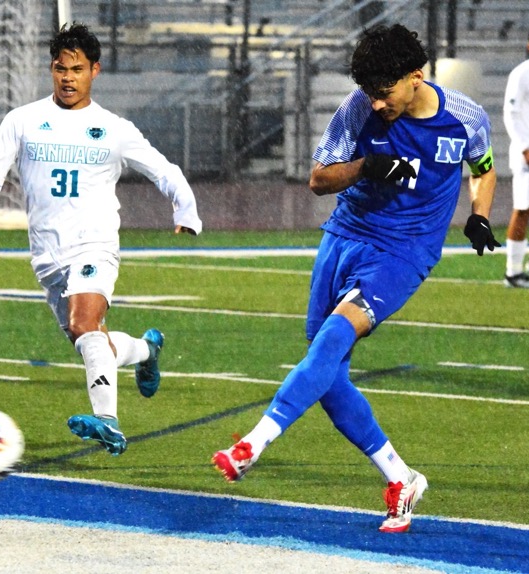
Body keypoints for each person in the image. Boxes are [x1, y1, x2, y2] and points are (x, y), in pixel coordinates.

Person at [212, 24, 499, 533]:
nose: (377, 102)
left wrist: (479, 213)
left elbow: (483, 166)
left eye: (384, 92)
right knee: (327, 368)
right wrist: (368, 167)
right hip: (343, 237)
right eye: (369, 91)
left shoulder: (465, 118)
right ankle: (401, 476)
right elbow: (319, 180)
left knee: (332, 339)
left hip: (404, 252)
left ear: (417, 76)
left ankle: (252, 444)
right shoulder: (358, 109)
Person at [0, 23, 202, 456]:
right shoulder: (23, 121)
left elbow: (163, 170)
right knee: (91, 343)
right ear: (51, 70)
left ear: (95, 71)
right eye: (59, 69)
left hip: (95, 245)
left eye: (77, 69)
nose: (67, 78)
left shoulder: (113, 128)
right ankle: (147, 350)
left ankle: (109, 422)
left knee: (84, 324)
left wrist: (186, 211)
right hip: (48, 257)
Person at [503, 26, 529, 288]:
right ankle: (512, 273)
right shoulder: (522, 74)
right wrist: (526, 148)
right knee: (523, 210)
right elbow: (510, 114)